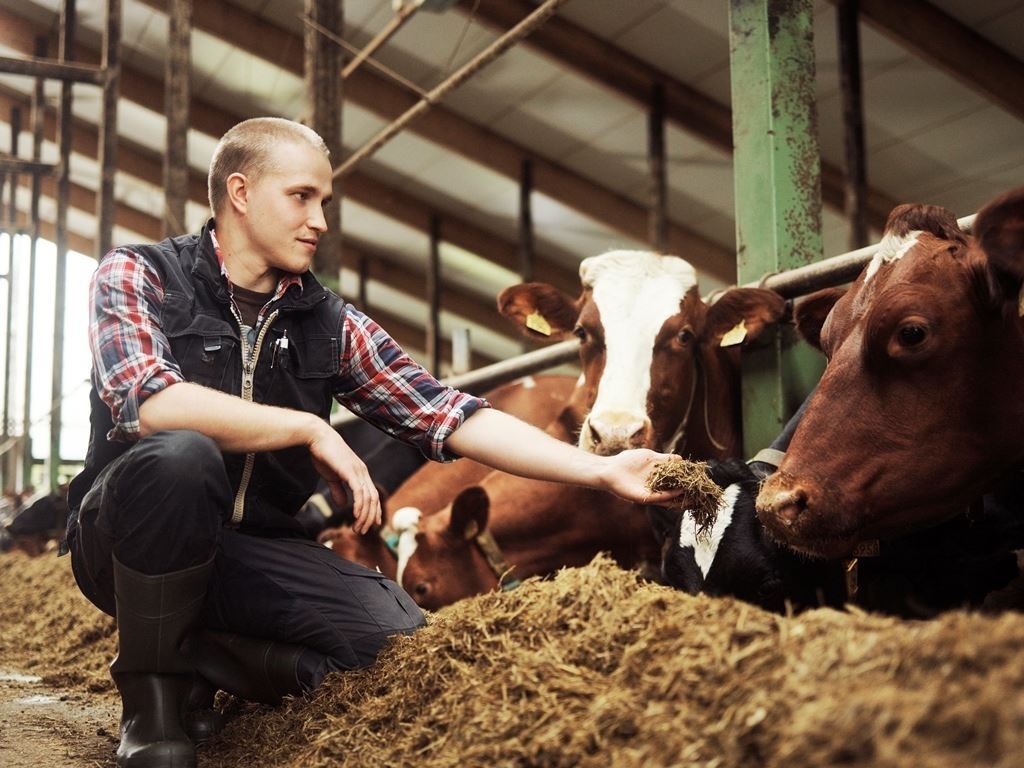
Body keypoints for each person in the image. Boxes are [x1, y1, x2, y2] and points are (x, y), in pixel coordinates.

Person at [63, 117, 683, 768]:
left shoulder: (327, 321)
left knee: (395, 641)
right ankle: (154, 707)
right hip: (126, 542)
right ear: (240, 193)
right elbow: (154, 404)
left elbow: (446, 414)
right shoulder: (140, 276)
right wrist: (309, 426)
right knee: (180, 457)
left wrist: (599, 471)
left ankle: (199, 660)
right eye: (302, 197)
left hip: (251, 551)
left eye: (324, 202)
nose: (321, 220)